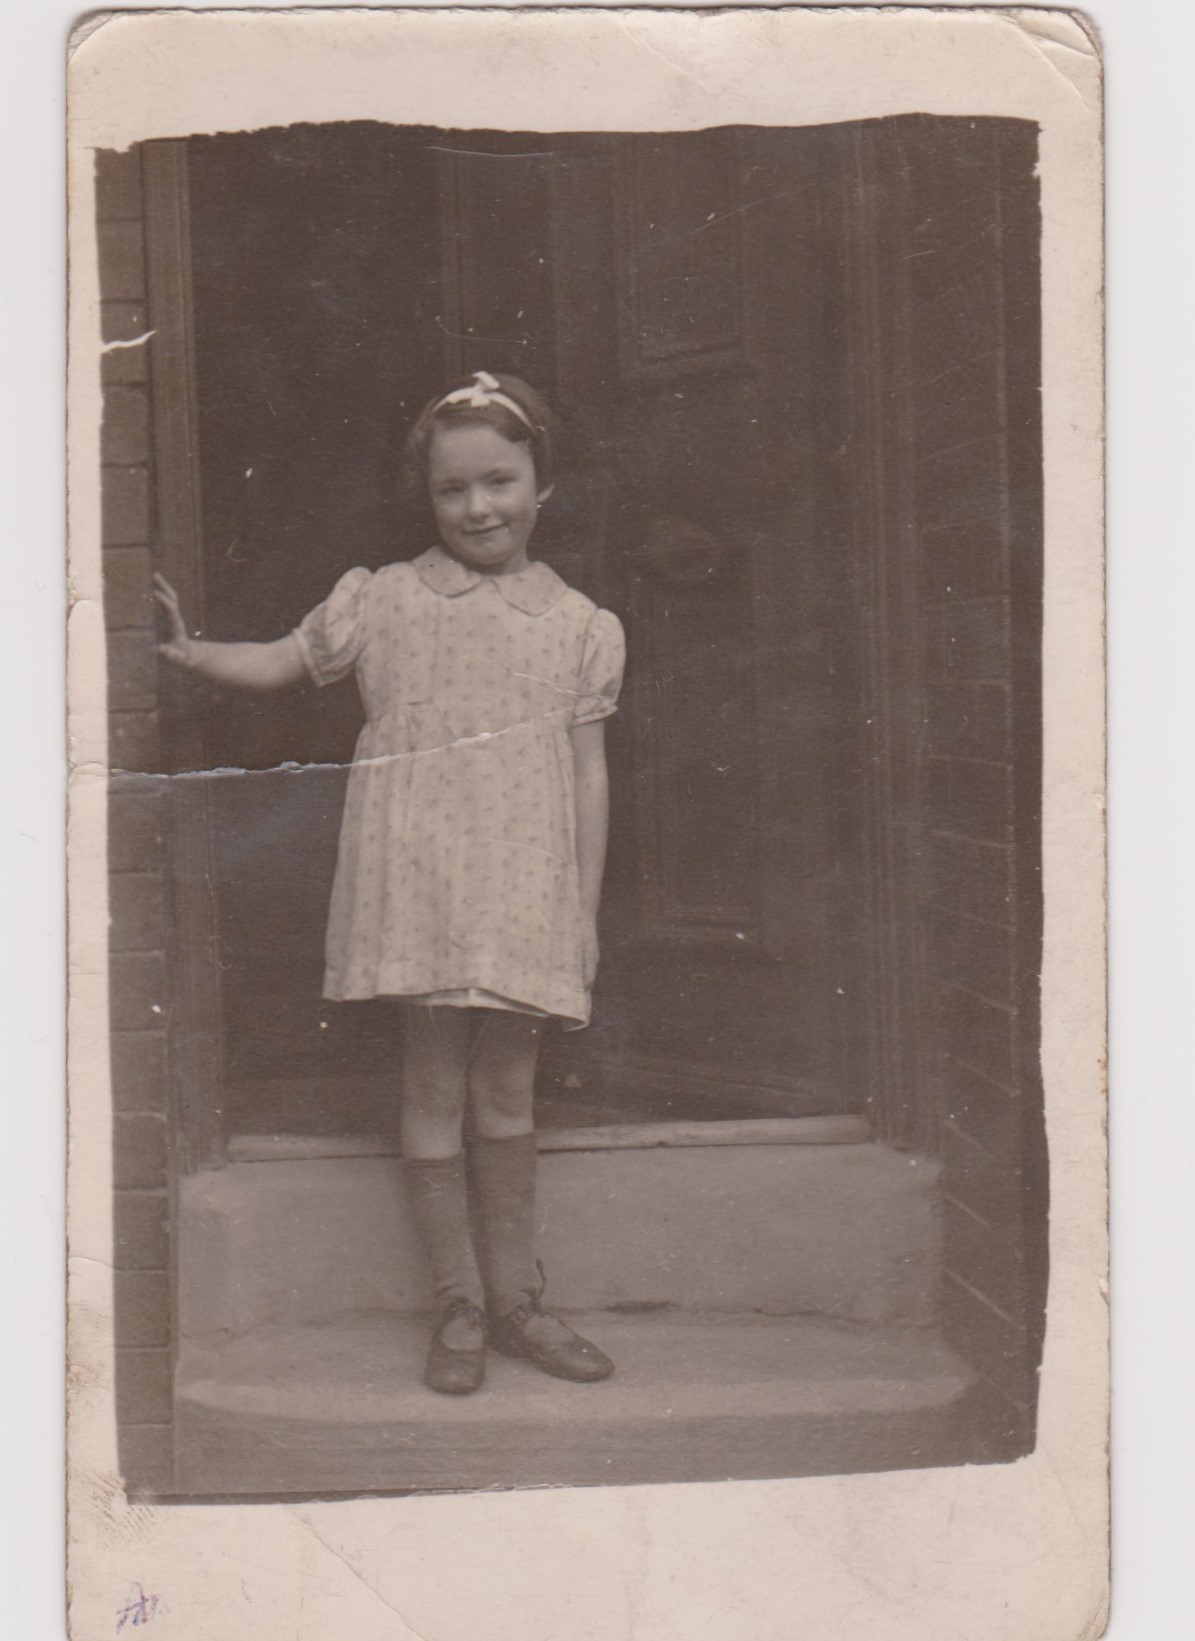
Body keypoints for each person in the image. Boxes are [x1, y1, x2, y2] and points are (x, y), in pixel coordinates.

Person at [155, 370, 625, 1396]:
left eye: (499, 481)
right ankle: (457, 1302)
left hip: (523, 889)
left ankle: (518, 1303)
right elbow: (284, 660)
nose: (478, 508)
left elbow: (588, 778)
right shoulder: (385, 600)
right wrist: (192, 654)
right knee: (430, 1090)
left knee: (506, 1097)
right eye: (453, 490)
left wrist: (580, 912)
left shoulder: (580, 625)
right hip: (420, 886)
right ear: (427, 495)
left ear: (542, 483)